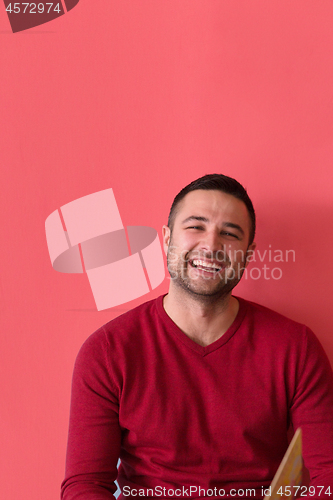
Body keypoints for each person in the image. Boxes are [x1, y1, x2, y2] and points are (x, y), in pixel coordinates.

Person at [61, 174, 333, 500]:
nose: (211, 245)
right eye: (195, 227)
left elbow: (327, 475)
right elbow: (85, 487)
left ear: (247, 254)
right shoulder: (107, 351)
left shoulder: (296, 348)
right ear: (166, 238)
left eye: (230, 233)